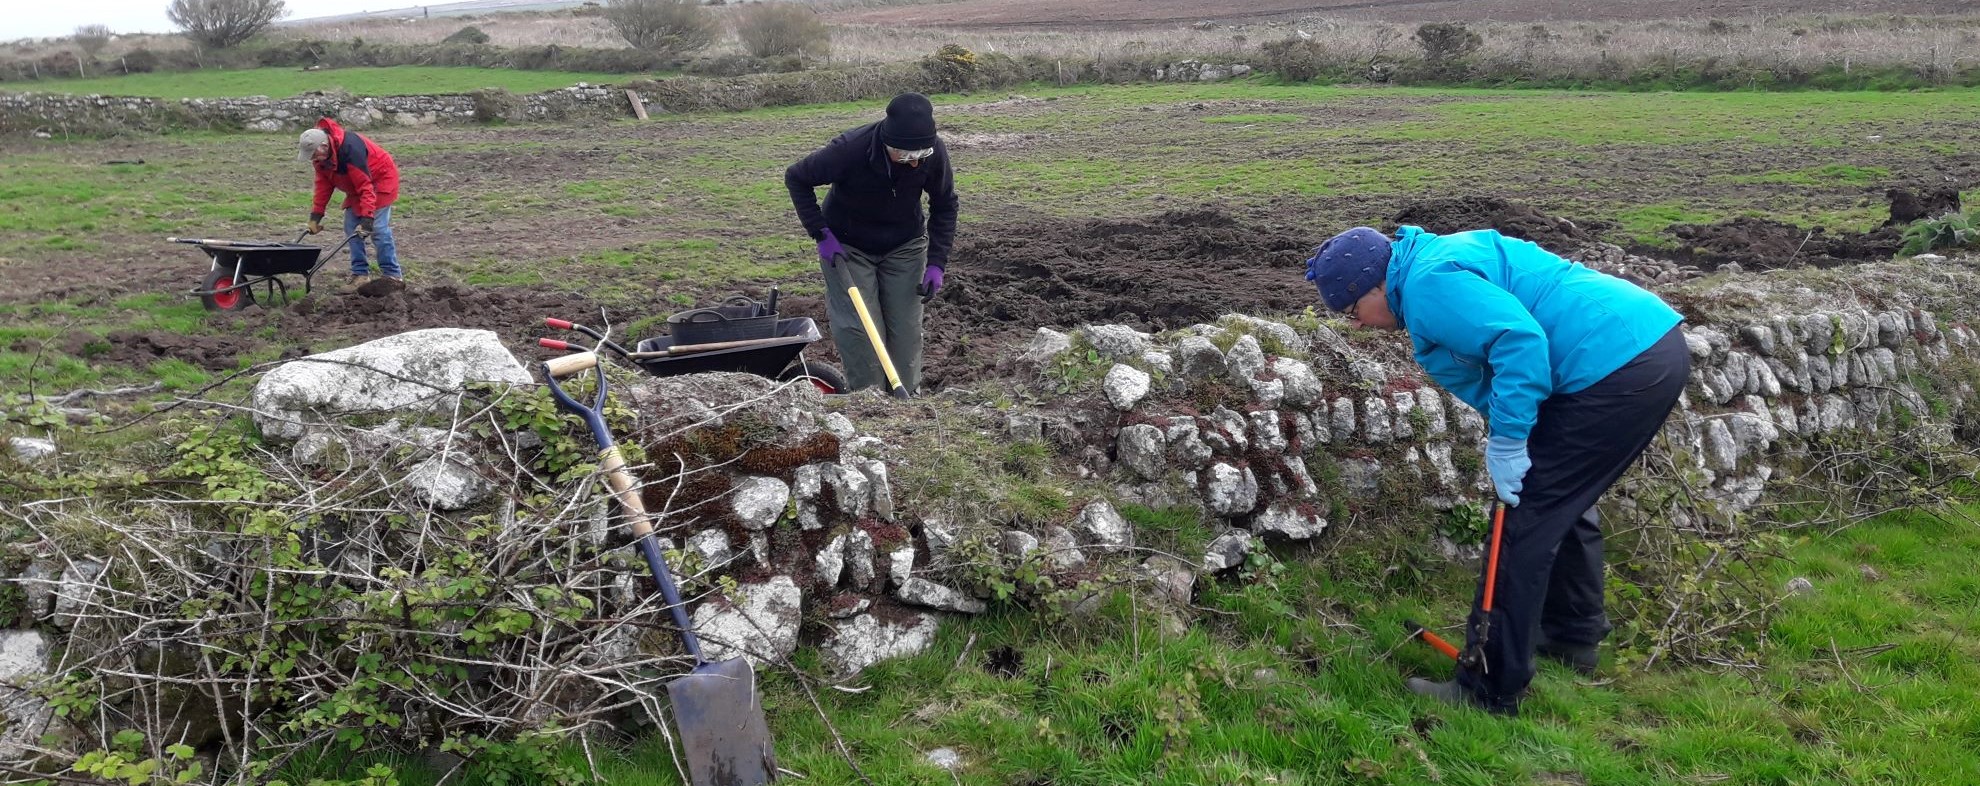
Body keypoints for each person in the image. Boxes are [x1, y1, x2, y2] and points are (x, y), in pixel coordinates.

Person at [1305, 224, 1690, 716]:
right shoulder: (1432, 262)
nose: (1355, 324)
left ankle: (1489, 687)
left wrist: (1509, 441)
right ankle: (1573, 638)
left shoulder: (1428, 286)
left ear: (1376, 285)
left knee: (1521, 521)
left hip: (1612, 363)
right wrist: (1518, 427)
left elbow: (1519, 340)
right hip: (1642, 346)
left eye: (1351, 309)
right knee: (1557, 502)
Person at [785, 92, 958, 394]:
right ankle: (869, 404)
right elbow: (797, 177)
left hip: (905, 245)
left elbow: (945, 205)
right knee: (861, 333)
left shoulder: (932, 153)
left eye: (921, 155)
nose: (915, 163)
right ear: (887, 144)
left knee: (905, 333)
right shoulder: (850, 149)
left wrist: (936, 264)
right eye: (906, 156)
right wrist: (821, 233)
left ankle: (907, 408)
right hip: (848, 247)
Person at [298, 117, 402, 285]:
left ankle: (392, 276)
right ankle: (360, 274)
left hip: (379, 180)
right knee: (351, 227)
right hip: (356, 186)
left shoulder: (350, 150)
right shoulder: (321, 159)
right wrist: (316, 216)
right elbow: (323, 186)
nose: (313, 159)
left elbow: (365, 187)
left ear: (324, 146)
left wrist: (367, 218)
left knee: (378, 230)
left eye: (314, 155)